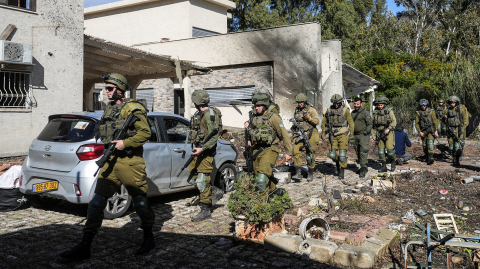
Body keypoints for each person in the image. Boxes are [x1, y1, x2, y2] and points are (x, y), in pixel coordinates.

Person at [60, 73, 156, 260]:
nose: (107, 92)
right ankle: (85, 245)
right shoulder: (109, 108)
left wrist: (125, 143)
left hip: (130, 162)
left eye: (110, 89)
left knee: (140, 202)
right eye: (106, 89)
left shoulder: (134, 108)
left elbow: (145, 133)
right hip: (110, 160)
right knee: (96, 203)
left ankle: (148, 237)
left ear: (120, 90)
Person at [246, 93, 293, 201]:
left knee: (261, 179)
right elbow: (252, 131)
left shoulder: (273, 118)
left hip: (270, 149)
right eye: (255, 106)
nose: (256, 108)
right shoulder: (254, 117)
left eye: (258, 105)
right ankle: (275, 192)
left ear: (265, 105)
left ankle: (261, 205)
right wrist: (249, 138)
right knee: (259, 176)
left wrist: (288, 152)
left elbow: (284, 134)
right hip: (256, 150)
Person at [187, 90, 224, 222]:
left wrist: (202, 148)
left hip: (206, 152)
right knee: (191, 178)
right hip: (198, 151)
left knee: (202, 181)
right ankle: (215, 191)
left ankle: (205, 209)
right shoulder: (200, 114)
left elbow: (214, 137)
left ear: (197, 102)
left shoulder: (210, 115)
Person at [321, 94, 354, 180]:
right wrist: (323, 132)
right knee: (332, 155)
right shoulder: (329, 110)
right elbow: (323, 122)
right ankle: (339, 164)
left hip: (343, 133)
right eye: (334, 103)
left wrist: (352, 134)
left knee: (342, 155)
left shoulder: (345, 110)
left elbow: (351, 122)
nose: (336, 105)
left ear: (341, 102)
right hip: (332, 135)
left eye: (338, 103)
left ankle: (341, 171)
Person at [291, 93, 320, 181]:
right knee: (296, 152)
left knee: (309, 155)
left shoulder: (311, 110)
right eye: (298, 102)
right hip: (299, 133)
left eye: (301, 102)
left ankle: (310, 173)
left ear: (305, 102)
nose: (300, 104)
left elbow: (317, 121)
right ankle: (298, 173)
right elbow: (295, 121)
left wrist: (309, 118)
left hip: (310, 133)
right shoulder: (296, 110)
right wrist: (293, 128)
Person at [372, 96, 397, 172]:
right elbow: (372, 125)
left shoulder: (389, 111)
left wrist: (389, 129)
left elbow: (394, 121)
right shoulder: (375, 112)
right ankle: (383, 166)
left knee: (389, 149)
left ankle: (393, 161)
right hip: (379, 133)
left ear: (384, 104)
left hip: (388, 132)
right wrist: (373, 135)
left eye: (381, 105)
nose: (380, 106)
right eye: (379, 105)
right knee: (381, 151)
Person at [443, 95, 469, 166]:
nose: (452, 104)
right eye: (451, 103)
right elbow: (443, 121)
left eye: (454, 103)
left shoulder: (461, 110)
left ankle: (457, 159)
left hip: (458, 130)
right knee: (451, 147)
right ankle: (454, 157)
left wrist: (462, 128)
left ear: (456, 103)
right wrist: (445, 117)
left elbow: (465, 120)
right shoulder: (447, 110)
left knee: (457, 146)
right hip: (449, 130)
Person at [350, 97, 372, 178]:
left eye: (357, 104)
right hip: (355, 135)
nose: (356, 105)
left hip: (363, 135)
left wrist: (366, 132)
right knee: (358, 151)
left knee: (363, 150)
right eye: (355, 104)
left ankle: (363, 167)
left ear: (361, 104)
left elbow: (370, 124)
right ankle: (363, 167)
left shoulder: (365, 113)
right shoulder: (352, 113)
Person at [415, 99, 439, 165]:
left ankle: (431, 157)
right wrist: (419, 132)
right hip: (423, 130)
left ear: (426, 105)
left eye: (424, 105)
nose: (423, 106)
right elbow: (416, 123)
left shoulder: (431, 112)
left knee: (431, 143)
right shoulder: (418, 113)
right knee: (424, 145)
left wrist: (436, 130)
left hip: (431, 130)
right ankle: (427, 156)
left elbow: (435, 121)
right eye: (422, 105)